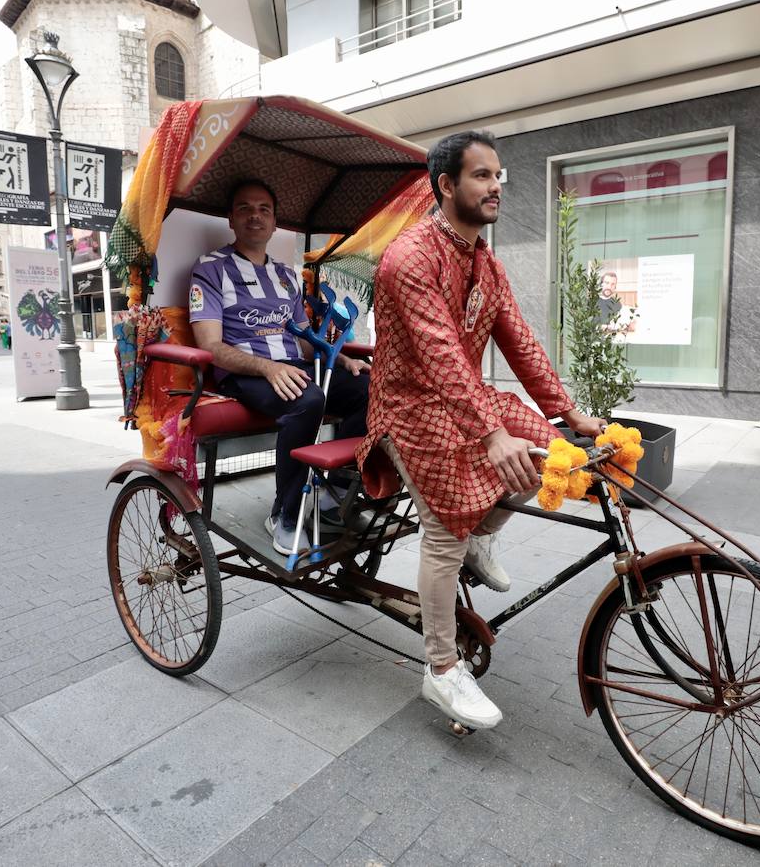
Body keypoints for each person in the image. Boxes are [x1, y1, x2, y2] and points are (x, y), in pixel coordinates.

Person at [356, 131, 604, 730]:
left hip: (464, 402)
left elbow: (518, 339)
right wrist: (491, 437)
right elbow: (440, 353)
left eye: (499, 175)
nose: (496, 186)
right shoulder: (410, 256)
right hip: (408, 409)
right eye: (481, 175)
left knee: (554, 454)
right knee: (445, 529)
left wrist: (568, 413)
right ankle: (441, 670)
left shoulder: (485, 262)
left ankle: (483, 536)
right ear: (445, 186)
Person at [189, 179, 372, 555]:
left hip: (291, 365)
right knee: (307, 399)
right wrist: (268, 369)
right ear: (231, 218)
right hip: (243, 373)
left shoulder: (287, 275)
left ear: (274, 223)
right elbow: (210, 345)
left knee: (368, 385)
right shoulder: (210, 268)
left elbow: (305, 341)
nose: (254, 216)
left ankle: (334, 490)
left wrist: (340, 358)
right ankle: (286, 515)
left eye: (263, 210)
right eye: (244, 208)